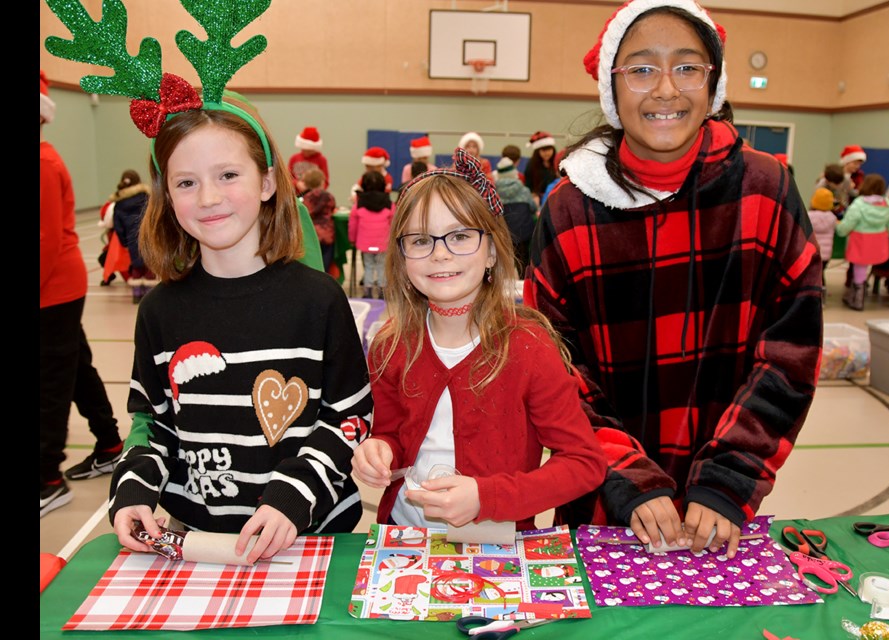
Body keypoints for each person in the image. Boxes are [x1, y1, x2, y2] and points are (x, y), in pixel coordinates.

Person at [524, 0, 822, 558]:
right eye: (641, 68)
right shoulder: (569, 206)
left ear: (714, 84)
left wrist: (729, 478)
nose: (665, 90)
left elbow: (790, 352)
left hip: (724, 515)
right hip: (601, 502)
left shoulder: (766, 186)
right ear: (613, 87)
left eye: (686, 67)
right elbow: (551, 365)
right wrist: (626, 474)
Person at [107, 90, 373, 562]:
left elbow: (350, 419)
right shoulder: (158, 312)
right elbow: (154, 426)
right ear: (166, 196)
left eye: (228, 175)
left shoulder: (318, 300)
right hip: (198, 544)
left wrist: (294, 495)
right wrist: (132, 490)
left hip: (311, 536)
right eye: (185, 183)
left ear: (268, 181)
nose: (208, 198)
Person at [350, 149, 606, 532]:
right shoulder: (390, 345)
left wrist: (488, 498)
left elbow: (584, 464)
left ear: (490, 251)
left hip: (496, 545)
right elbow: (392, 433)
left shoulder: (528, 346)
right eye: (420, 241)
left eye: (460, 236)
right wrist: (379, 449)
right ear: (402, 260)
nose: (440, 254)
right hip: (404, 537)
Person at [40, 71, 123, 516]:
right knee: (74, 367)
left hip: (53, 289)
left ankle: (47, 477)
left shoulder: (44, 164)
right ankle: (110, 443)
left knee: (51, 379)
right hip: (52, 288)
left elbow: (46, 240)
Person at [836, 174, 889, 311]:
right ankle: (856, 295)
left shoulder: (859, 204)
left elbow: (847, 224)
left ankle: (857, 299)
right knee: (865, 269)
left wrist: (840, 230)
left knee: (859, 269)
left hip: (861, 241)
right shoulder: (887, 204)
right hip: (879, 243)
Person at [107, 169, 154, 303]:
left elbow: (118, 226)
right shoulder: (147, 197)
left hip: (132, 240)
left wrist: (124, 242)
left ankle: (137, 294)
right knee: (149, 266)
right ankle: (150, 296)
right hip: (148, 238)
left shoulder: (119, 203)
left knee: (137, 266)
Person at [349, 170, 395, 299]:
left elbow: (353, 224)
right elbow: (394, 224)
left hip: (365, 243)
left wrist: (352, 239)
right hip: (383, 243)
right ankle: (382, 291)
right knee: (382, 266)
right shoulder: (389, 203)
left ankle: (367, 291)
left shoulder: (359, 203)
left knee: (368, 266)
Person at [493, 156, 537, 275]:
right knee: (523, 262)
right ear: (514, 173)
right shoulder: (524, 190)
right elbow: (533, 208)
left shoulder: (494, 193)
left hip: (504, 234)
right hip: (524, 233)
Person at [301, 168, 337, 272]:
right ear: (322, 181)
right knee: (325, 263)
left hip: (311, 234)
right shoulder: (329, 196)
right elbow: (332, 208)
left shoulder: (306, 198)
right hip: (326, 235)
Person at [807, 188, 838, 304]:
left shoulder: (808, 216)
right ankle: (822, 298)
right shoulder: (832, 218)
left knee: (811, 275)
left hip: (811, 251)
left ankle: (811, 296)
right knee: (822, 274)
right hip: (825, 254)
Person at [288, 126, 330, 195]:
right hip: (296, 195)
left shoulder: (322, 160)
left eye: (309, 151)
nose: (306, 152)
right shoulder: (294, 158)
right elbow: (288, 177)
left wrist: (317, 191)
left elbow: (325, 181)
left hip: (314, 197)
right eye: (305, 149)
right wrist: (297, 183)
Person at [524, 131, 558, 203]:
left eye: (549, 150)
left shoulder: (556, 163)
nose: (547, 153)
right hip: (537, 199)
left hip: (554, 197)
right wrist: (534, 196)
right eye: (543, 150)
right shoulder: (531, 165)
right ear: (538, 151)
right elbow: (528, 186)